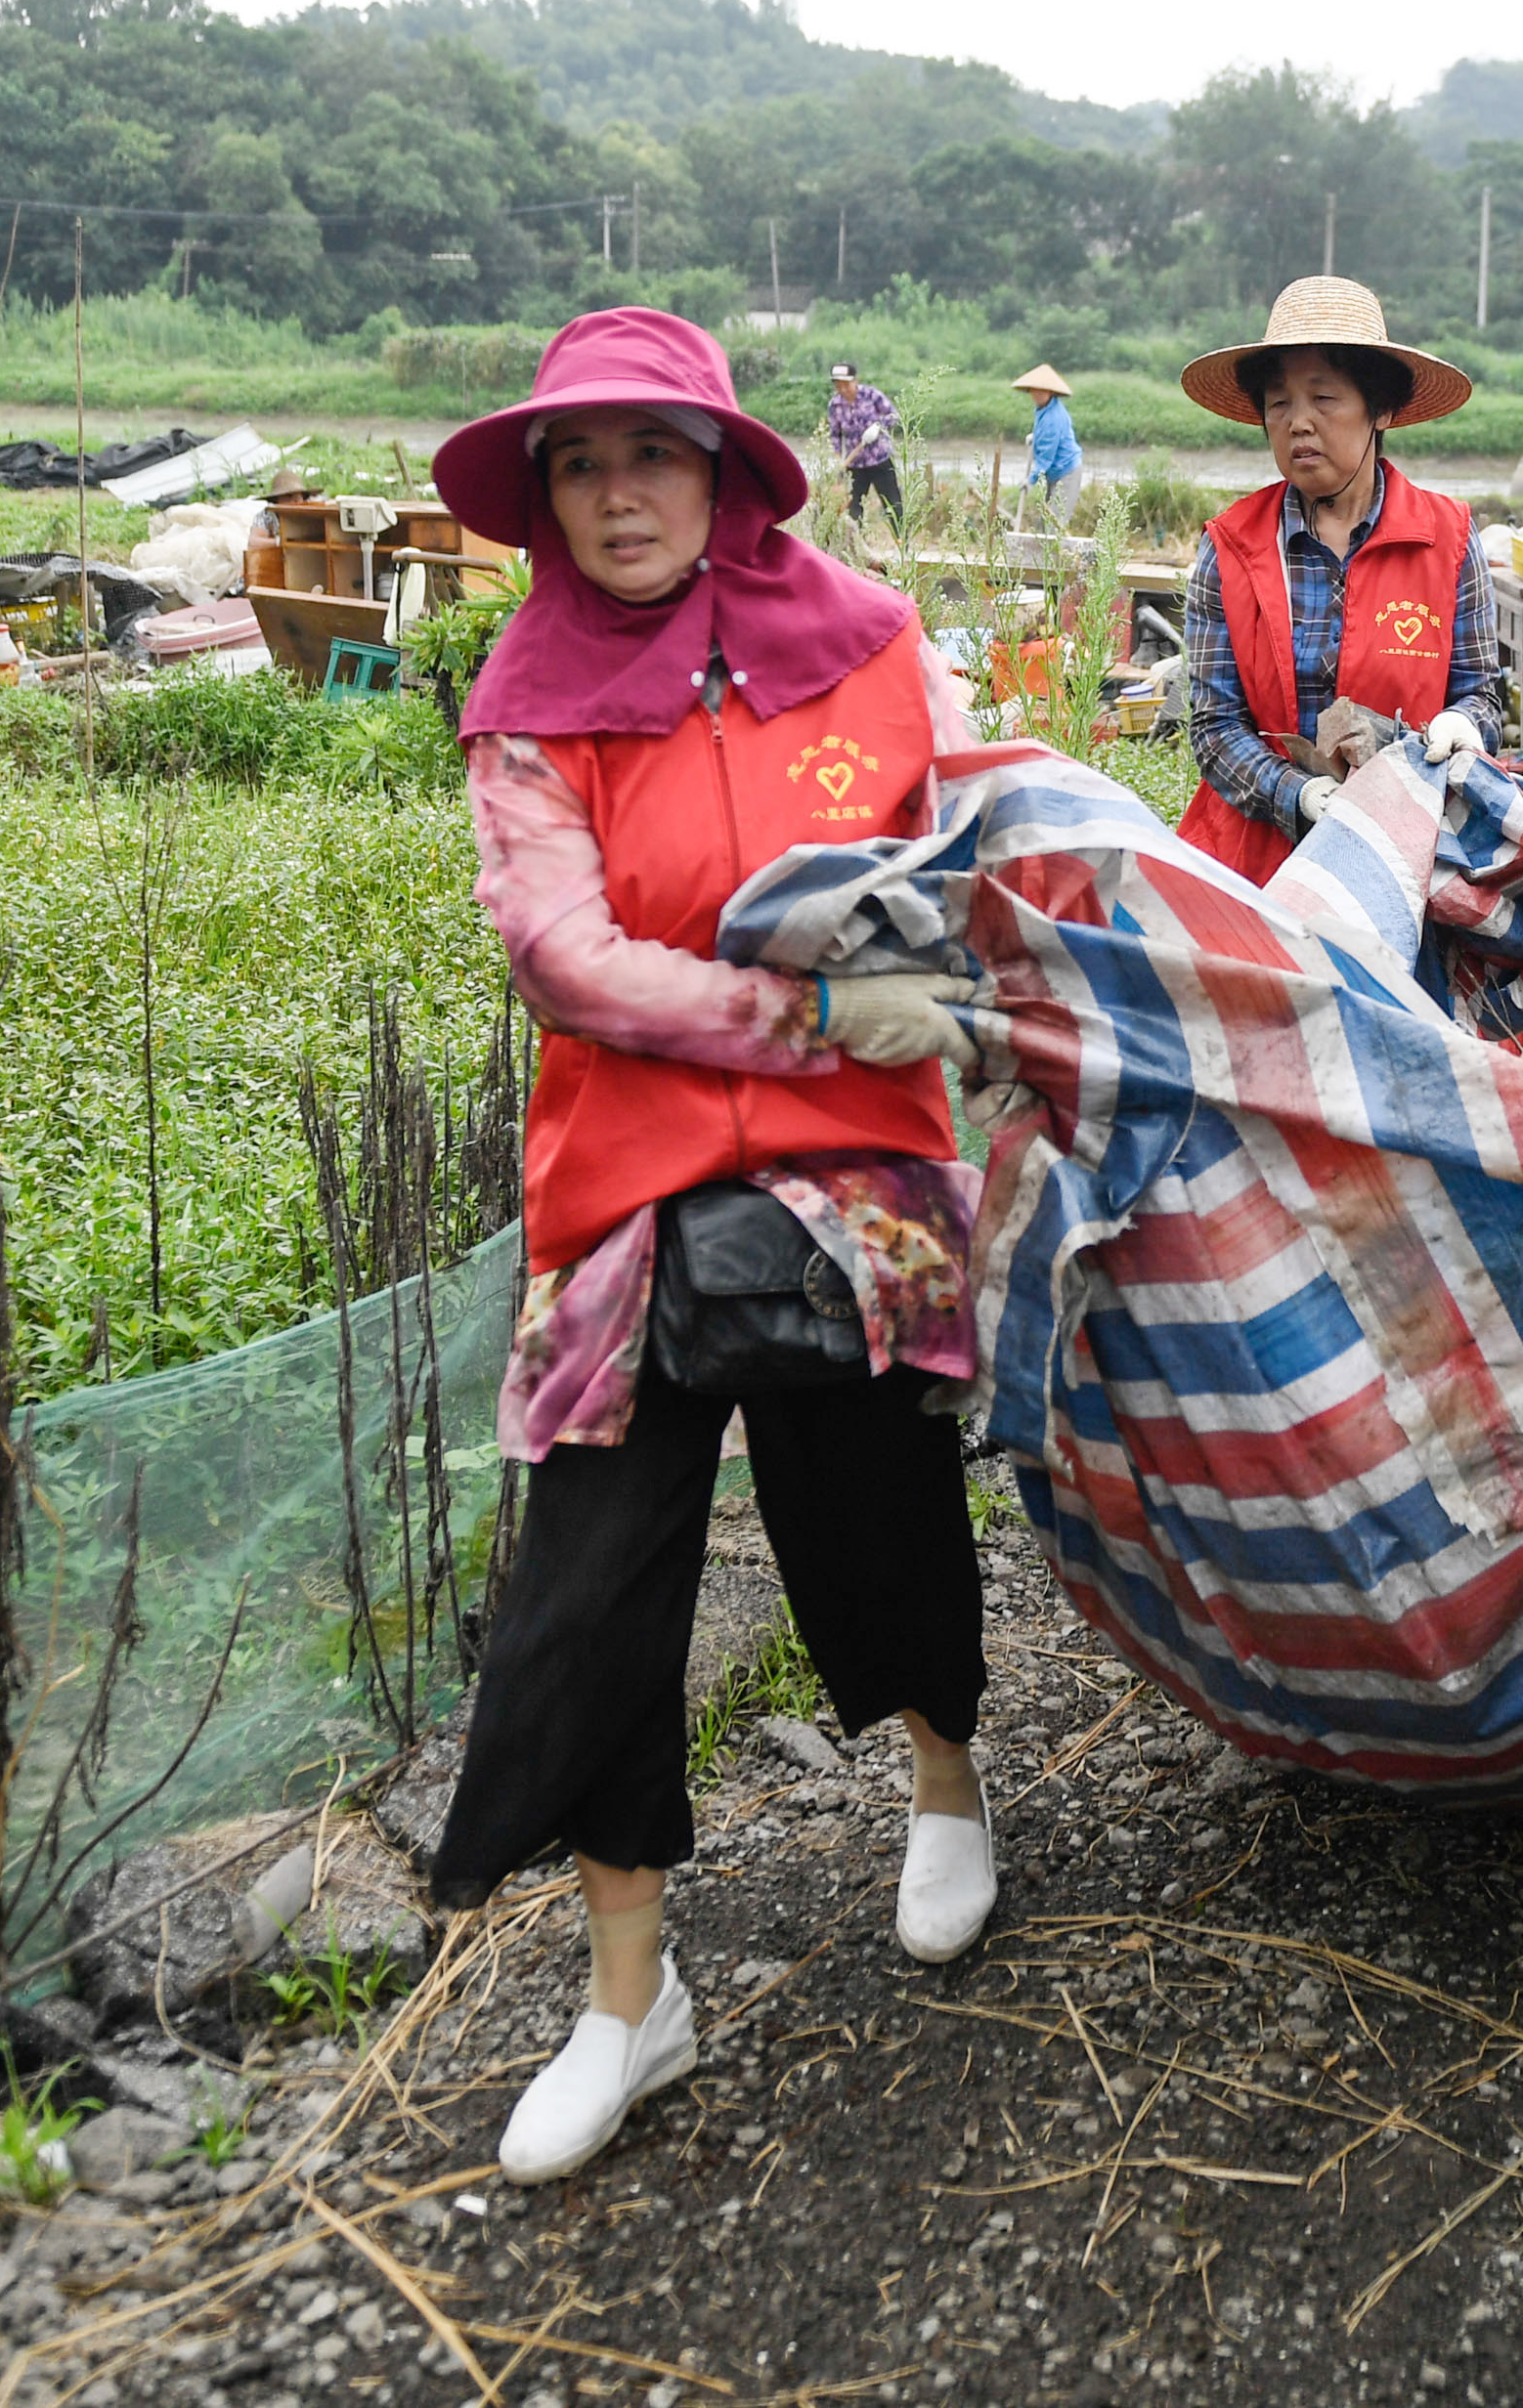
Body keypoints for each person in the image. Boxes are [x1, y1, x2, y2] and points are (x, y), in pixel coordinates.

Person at [429, 308, 1001, 2184]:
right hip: (627, 1189)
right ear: (542, 495)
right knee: (592, 1588)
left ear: (727, 473)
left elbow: (956, 857)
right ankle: (627, 2001)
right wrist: (807, 1022)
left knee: (883, 1503)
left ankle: (945, 1780)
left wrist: (933, 997)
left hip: (861, 1177)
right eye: (578, 465)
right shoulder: (527, 701)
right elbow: (559, 953)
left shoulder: (868, 644)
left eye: (650, 456)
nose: (615, 497)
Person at [1174, 276, 1501, 886]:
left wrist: (1467, 726)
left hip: (1410, 857)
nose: (1298, 422)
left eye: (1323, 399)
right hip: (1258, 857)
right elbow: (1215, 726)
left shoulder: (1448, 538)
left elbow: (1479, 694)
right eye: (1279, 404)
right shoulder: (1230, 546)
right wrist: (1298, 796)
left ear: (1379, 410)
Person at [824, 361, 903, 530]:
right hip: (855, 466)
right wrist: (838, 459)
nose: (843, 389)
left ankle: (902, 544)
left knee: (893, 505)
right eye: (838, 385)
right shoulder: (834, 405)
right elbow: (835, 435)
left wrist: (878, 427)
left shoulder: (872, 396)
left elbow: (894, 416)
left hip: (880, 460)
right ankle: (857, 548)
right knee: (854, 511)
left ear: (855, 380)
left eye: (846, 384)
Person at [1015, 364, 1085, 529]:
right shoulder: (1043, 409)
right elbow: (1047, 435)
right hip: (1055, 474)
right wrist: (1036, 437)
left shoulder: (1052, 417)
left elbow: (1046, 458)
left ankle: (1057, 554)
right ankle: (1040, 552)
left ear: (1051, 392)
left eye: (1043, 391)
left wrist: (1030, 480)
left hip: (1066, 472)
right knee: (1045, 522)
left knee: (1054, 524)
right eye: (1035, 390)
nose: (1038, 395)